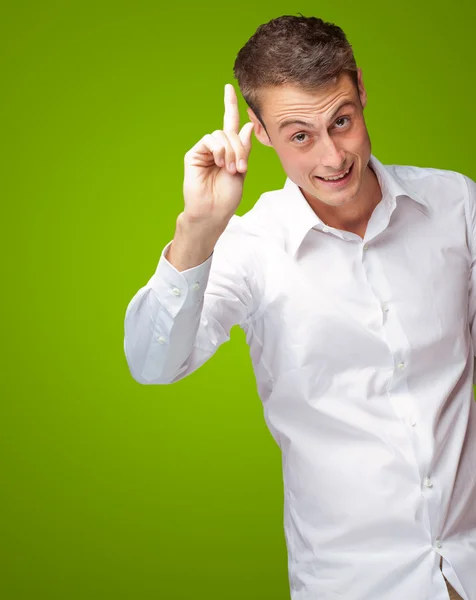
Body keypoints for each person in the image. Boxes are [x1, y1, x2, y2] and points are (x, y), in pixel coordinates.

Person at [123, 15, 475, 600]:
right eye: (300, 135)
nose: (334, 156)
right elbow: (152, 363)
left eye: (342, 120)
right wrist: (197, 230)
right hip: (355, 584)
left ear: (361, 90)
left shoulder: (456, 205)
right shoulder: (247, 247)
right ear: (260, 132)